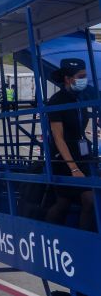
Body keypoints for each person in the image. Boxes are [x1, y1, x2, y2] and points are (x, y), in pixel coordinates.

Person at [45, 58, 96, 231]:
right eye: (81, 77)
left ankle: (80, 236)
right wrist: (73, 168)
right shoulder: (57, 101)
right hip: (64, 158)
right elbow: (58, 137)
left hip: (82, 154)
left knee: (76, 201)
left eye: (85, 76)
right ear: (68, 78)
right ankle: (50, 233)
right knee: (71, 201)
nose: (84, 80)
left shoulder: (79, 98)